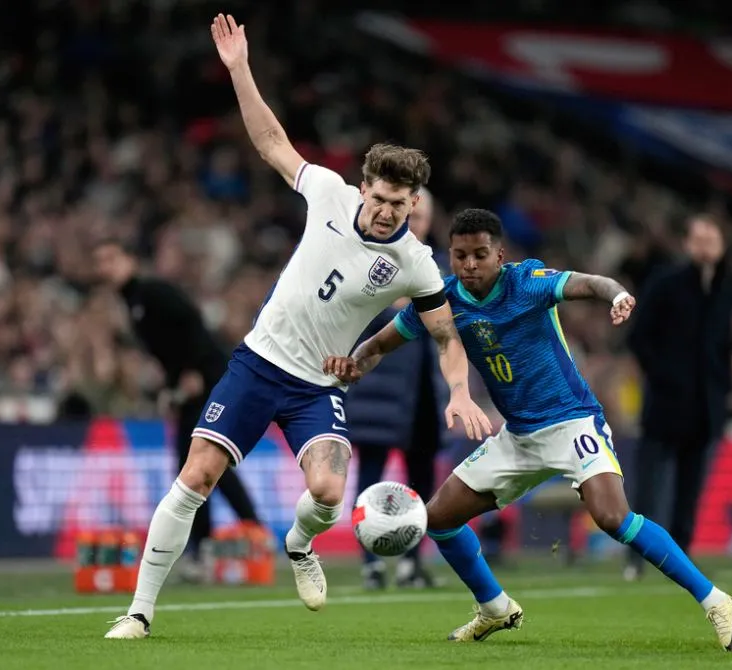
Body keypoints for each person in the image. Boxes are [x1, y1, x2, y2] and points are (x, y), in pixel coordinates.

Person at [104, 14, 492, 640]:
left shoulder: (416, 262)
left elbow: (445, 335)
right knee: (197, 476)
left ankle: (299, 543)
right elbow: (271, 141)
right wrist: (239, 70)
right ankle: (140, 612)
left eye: (401, 204)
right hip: (258, 363)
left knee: (329, 492)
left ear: (414, 203)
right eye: (380, 198)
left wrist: (460, 391)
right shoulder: (329, 194)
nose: (388, 211)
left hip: (317, 387)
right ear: (364, 187)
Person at [324, 209, 732, 652]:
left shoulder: (527, 282)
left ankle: (716, 601)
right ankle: (494, 607)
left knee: (612, 517)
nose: (470, 265)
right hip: (519, 437)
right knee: (439, 519)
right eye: (461, 255)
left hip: (571, 421)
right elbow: (379, 344)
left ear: (499, 254)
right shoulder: (442, 301)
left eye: (480, 255)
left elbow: (587, 283)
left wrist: (617, 293)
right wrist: (355, 363)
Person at [94, 240, 263, 578]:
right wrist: (171, 385)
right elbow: (168, 345)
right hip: (195, 382)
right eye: (100, 262)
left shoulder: (151, 292)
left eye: (112, 259)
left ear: (130, 259)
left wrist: (194, 372)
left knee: (195, 465)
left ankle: (217, 545)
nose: (105, 267)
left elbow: (191, 322)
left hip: (209, 380)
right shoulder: (132, 302)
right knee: (206, 467)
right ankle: (239, 538)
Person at [345, 187, 446, 590]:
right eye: (412, 216)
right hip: (378, 395)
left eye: (422, 218)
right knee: (371, 479)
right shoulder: (372, 262)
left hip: (422, 395)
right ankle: (371, 562)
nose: (416, 224)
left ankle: (411, 561)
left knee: (421, 481)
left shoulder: (435, 270)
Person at [624, 214, 732, 581]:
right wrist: (661, 376)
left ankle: (681, 559)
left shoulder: (723, 290)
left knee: (690, 491)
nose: (706, 247)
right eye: (699, 239)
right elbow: (639, 337)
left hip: (704, 407)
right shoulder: (666, 283)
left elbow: (723, 346)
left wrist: (722, 387)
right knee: (650, 486)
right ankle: (637, 559)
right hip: (666, 403)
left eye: (712, 240)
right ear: (687, 244)